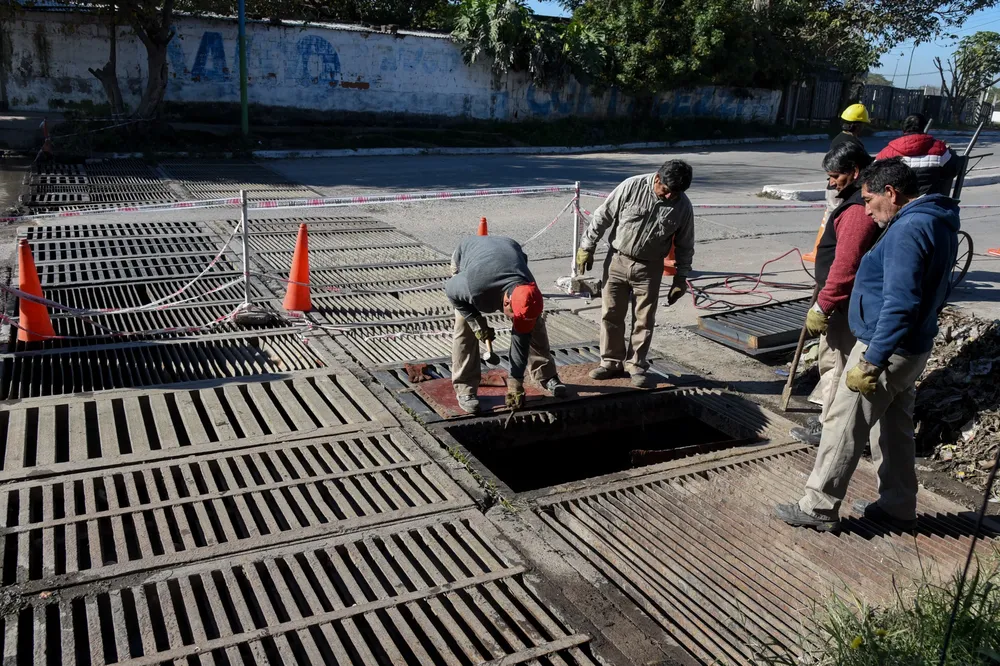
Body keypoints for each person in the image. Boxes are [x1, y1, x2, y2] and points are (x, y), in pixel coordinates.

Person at [776, 158, 960, 532]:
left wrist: (872, 359)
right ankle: (897, 505)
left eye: (869, 200)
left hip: (885, 349)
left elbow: (900, 302)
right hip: (911, 347)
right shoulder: (936, 221)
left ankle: (818, 506)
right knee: (893, 429)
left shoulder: (908, 229)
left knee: (843, 424)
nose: (867, 211)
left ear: (890, 193)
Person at [575, 160, 694, 388]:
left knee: (644, 319)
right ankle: (610, 362)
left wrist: (681, 278)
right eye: (666, 190)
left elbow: (685, 244)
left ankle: (636, 365)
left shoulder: (683, 206)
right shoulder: (632, 186)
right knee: (611, 313)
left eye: (676, 193)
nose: (670, 196)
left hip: (650, 268)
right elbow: (603, 216)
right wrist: (587, 247)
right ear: (657, 178)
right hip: (617, 261)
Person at [793, 142, 878, 446]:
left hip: (844, 303)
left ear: (854, 172)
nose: (831, 183)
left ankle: (830, 431)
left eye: (834, 176)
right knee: (836, 364)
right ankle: (832, 423)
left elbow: (846, 264)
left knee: (835, 365)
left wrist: (824, 304)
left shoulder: (856, 210)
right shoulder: (860, 200)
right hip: (850, 299)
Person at [446, 235, 567, 415]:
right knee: (465, 328)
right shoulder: (475, 287)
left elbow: (520, 339)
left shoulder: (529, 290)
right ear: (506, 302)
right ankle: (465, 389)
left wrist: (515, 382)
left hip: (509, 252)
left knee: (535, 325)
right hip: (467, 259)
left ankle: (546, 375)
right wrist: (476, 321)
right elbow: (450, 290)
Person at [876, 113, 959, 196]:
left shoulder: (887, 151)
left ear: (903, 128)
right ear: (924, 127)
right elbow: (951, 171)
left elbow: (874, 175)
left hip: (898, 201)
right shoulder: (939, 148)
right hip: (928, 200)